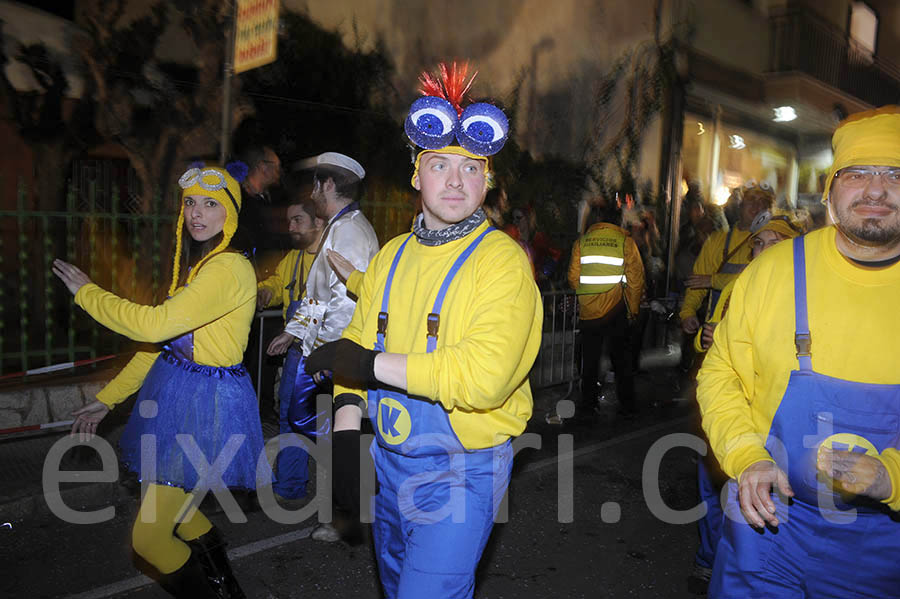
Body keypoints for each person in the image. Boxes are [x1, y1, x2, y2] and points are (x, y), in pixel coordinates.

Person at [304, 62, 542, 598]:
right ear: (417, 174)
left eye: (471, 167)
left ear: (487, 179)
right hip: (388, 462)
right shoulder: (390, 255)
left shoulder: (501, 261)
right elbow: (355, 349)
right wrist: (345, 439)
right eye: (440, 165)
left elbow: (483, 377)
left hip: (464, 470)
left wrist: (363, 365)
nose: (455, 180)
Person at [697, 105, 900, 598]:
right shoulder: (774, 271)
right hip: (766, 524)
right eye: (857, 173)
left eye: (894, 173)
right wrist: (746, 457)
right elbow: (720, 373)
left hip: (883, 548)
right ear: (830, 189)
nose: (875, 190)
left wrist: (893, 475)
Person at [52, 162, 262, 597]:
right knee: (180, 516)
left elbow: (151, 327)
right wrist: (107, 400)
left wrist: (88, 294)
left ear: (231, 215)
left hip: (204, 408)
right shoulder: (200, 268)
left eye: (210, 204)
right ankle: (228, 590)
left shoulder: (227, 269)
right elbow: (163, 350)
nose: (197, 213)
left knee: (148, 540)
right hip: (180, 394)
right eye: (190, 204)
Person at [687, 209, 805, 595]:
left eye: (776, 242)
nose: (765, 249)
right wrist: (701, 340)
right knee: (711, 489)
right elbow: (714, 346)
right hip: (727, 415)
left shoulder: (803, 295)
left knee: (758, 507)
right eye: (759, 243)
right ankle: (709, 559)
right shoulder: (741, 287)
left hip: (771, 427)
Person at [282, 152, 379, 542]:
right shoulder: (341, 226)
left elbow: (347, 304)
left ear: (327, 185)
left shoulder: (351, 231)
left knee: (329, 430)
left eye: (315, 185)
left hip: (336, 352)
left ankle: (349, 512)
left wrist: (325, 353)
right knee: (328, 431)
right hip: (327, 350)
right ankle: (349, 508)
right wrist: (294, 331)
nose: (311, 193)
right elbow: (319, 295)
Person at [256, 193, 325, 503]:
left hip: (326, 351)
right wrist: (263, 293)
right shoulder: (293, 259)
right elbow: (275, 285)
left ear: (319, 223)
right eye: (289, 221)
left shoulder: (331, 257)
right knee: (290, 417)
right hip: (297, 353)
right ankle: (291, 485)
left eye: (298, 220)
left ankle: (343, 494)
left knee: (331, 422)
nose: (291, 227)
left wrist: (291, 332)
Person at [567, 206, 645, 420]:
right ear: (618, 221)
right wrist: (633, 310)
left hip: (589, 312)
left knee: (590, 362)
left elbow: (573, 278)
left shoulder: (582, 242)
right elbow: (636, 282)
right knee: (621, 360)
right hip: (615, 310)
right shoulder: (625, 242)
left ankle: (588, 406)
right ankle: (627, 405)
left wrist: (587, 295)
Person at [679, 182, 774, 339]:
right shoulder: (717, 241)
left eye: (763, 202)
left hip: (753, 336)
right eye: (751, 200)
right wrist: (688, 313)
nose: (756, 206)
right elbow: (697, 282)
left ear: (769, 209)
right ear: (741, 205)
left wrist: (714, 280)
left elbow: (757, 282)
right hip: (714, 333)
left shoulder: (774, 245)